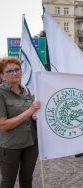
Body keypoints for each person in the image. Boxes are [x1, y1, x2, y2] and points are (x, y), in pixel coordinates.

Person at [0, 57, 41, 187]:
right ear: (2, 75)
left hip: (31, 143)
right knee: (8, 182)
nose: (14, 73)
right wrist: (30, 111)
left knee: (27, 179)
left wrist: (34, 115)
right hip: (11, 146)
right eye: (9, 71)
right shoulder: (1, 94)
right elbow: (4, 125)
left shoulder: (27, 91)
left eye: (17, 69)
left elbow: (32, 113)